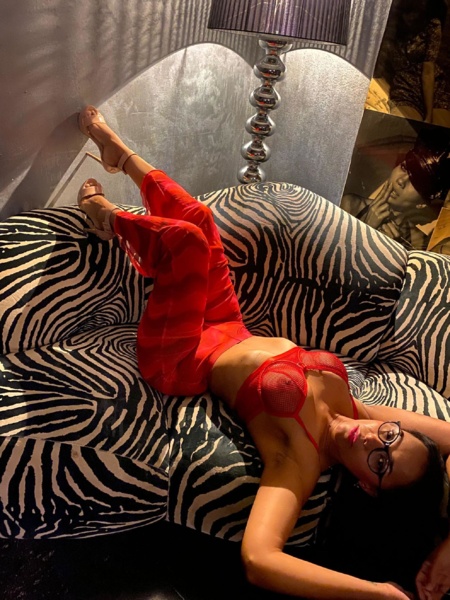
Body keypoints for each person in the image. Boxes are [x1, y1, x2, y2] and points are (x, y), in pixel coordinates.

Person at [77, 105, 450, 600]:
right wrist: (448, 545)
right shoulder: (358, 412)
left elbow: (260, 560)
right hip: (227, 323)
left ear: (365, 485)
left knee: (187, 242)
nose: (371, 441)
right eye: (390, 436)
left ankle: (104, 218)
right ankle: (117, 154)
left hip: (182, 359)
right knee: (199, 218)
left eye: (379, 463)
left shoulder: (299, 460)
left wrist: (378, 593)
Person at [341, 129, 450, 250]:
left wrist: (395, 251)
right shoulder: (350, 205)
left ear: (422, 204)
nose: (401, 181)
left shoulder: (419, 244)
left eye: (414, 182)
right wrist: (367, 228)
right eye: (404, 168)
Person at [386, 0, 450, 127]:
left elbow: (428, 70)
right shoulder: (394, 21)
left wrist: (429, 116)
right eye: (408, 12)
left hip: (432, 88)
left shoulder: (432, 25)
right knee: (406, 128)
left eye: (414, 12)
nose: (410, 17)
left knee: (439, 131)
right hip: (405, 86)